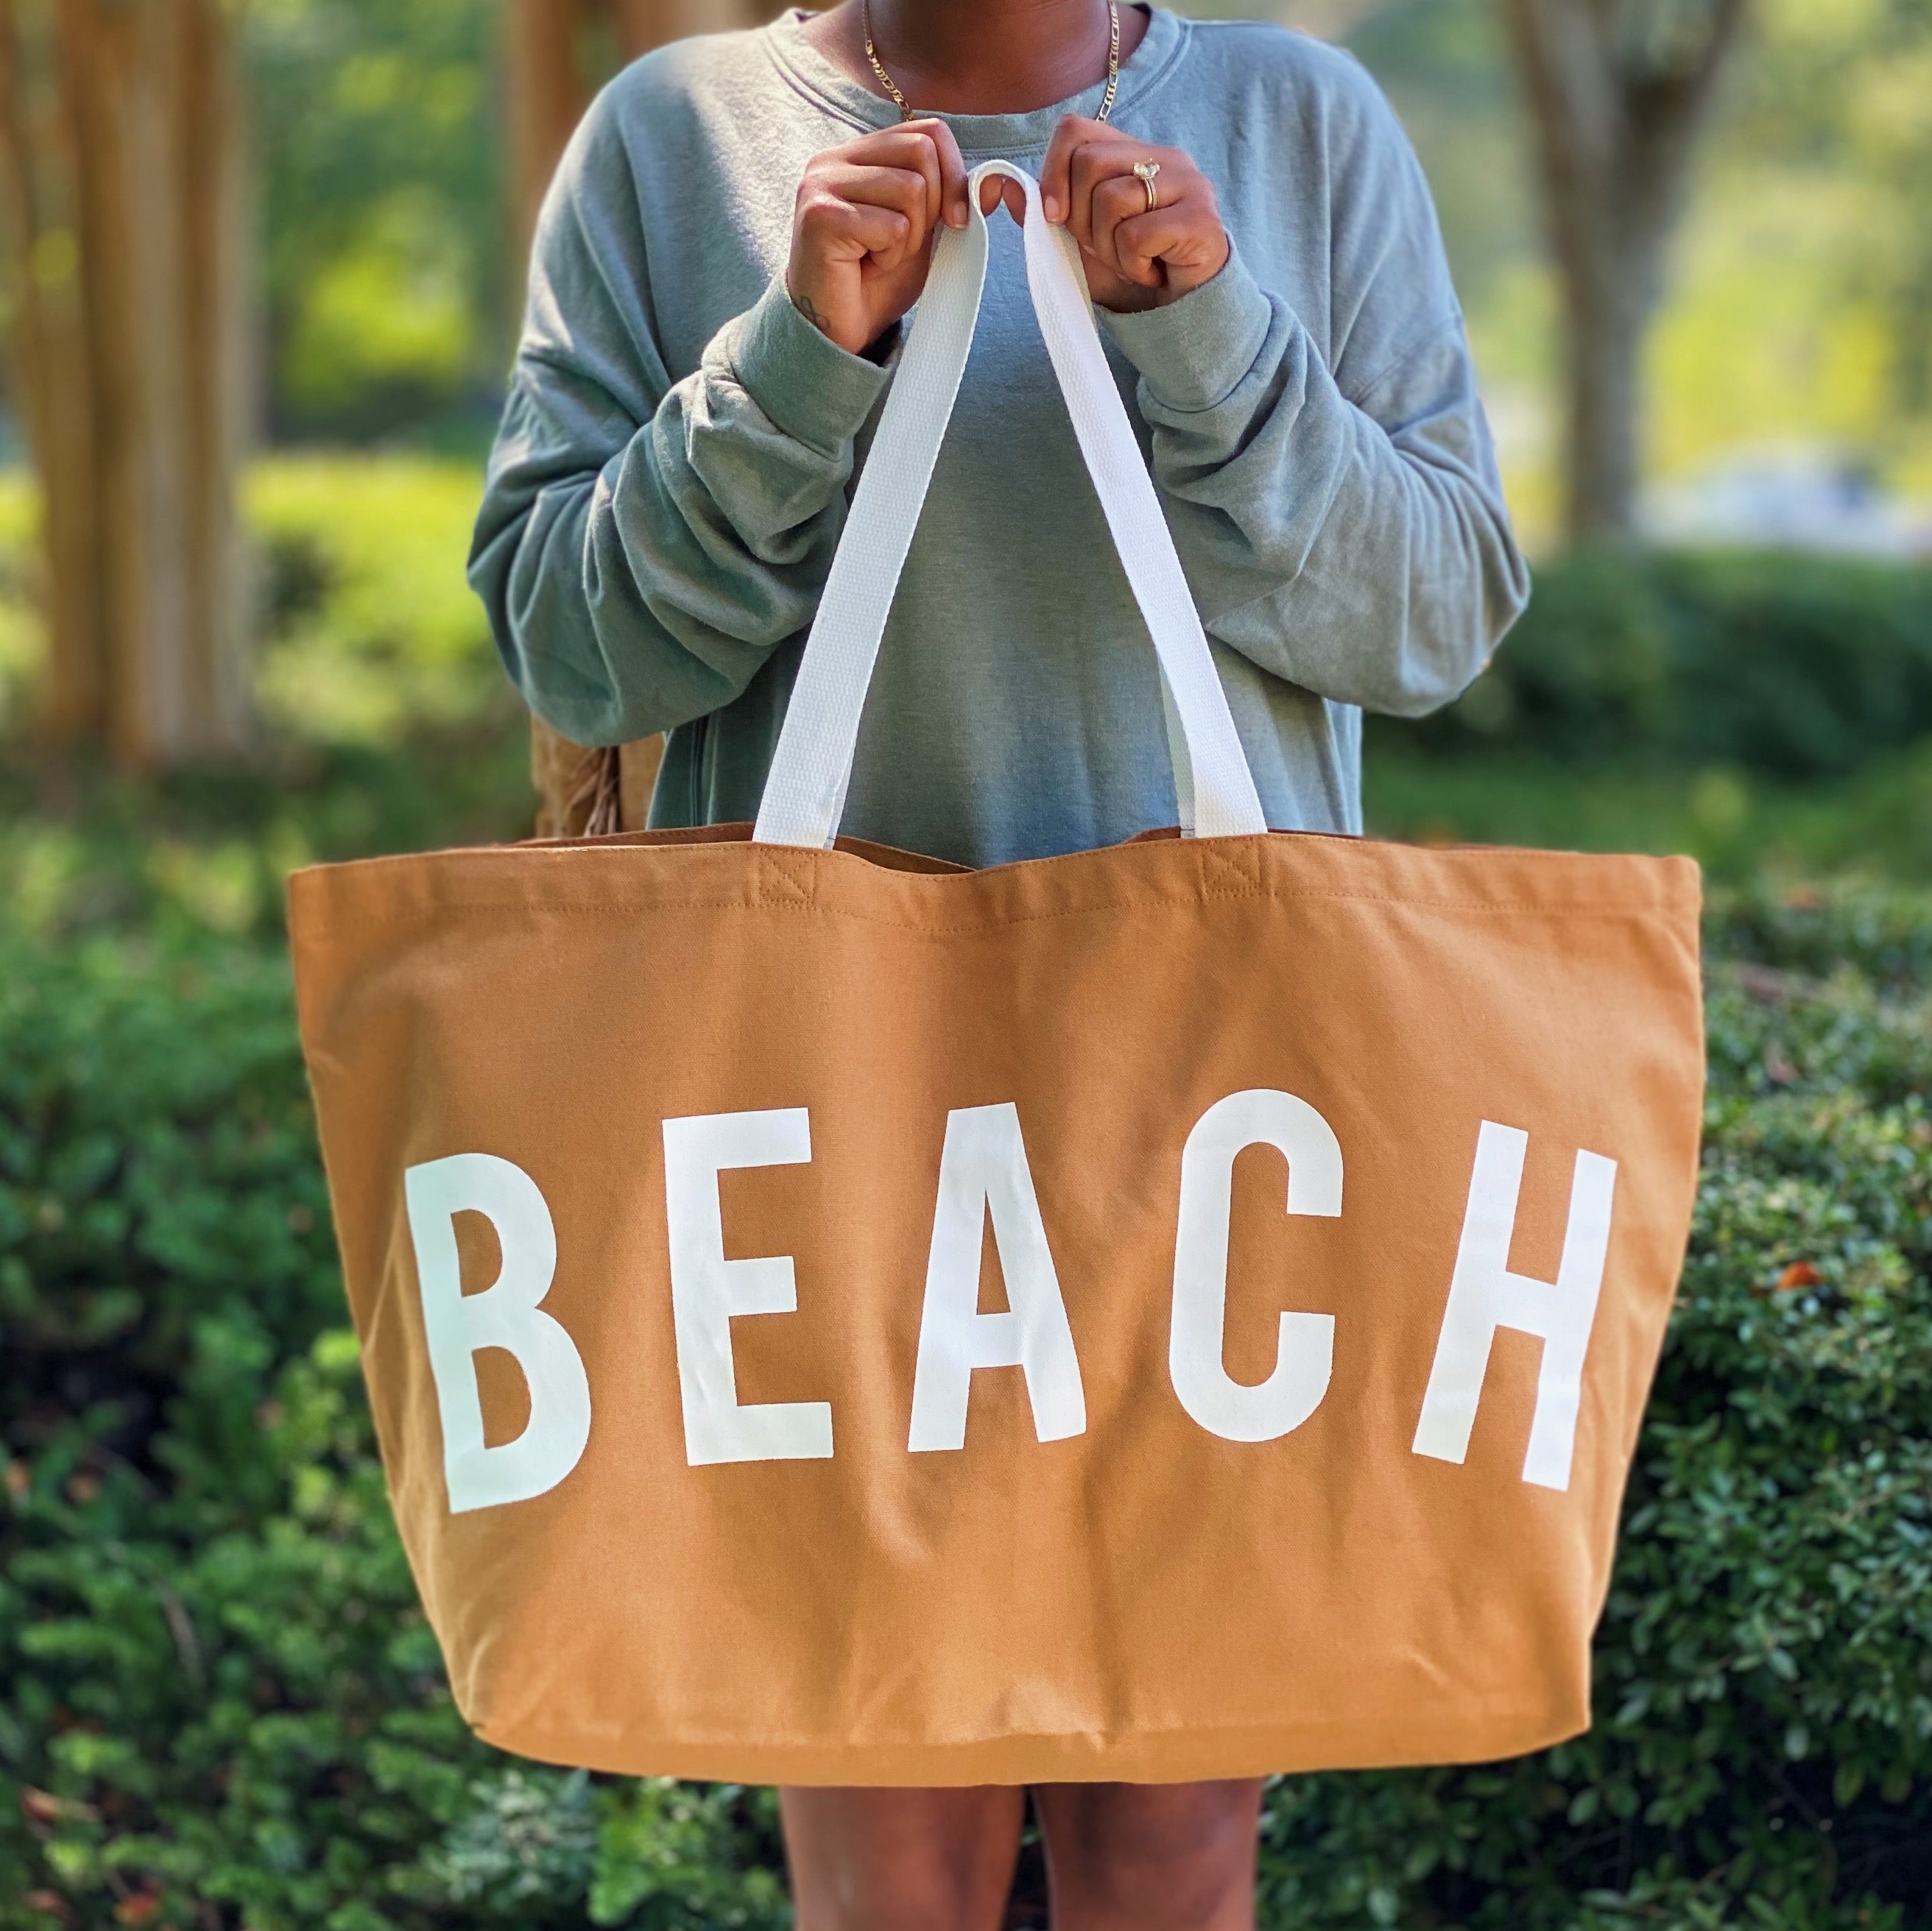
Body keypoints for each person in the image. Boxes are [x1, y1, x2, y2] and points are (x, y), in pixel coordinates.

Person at [469, 0, 1529, 1922]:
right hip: (809, 1129)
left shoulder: (1302, 123)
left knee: (1177, 1838)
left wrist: (1213, 337)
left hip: (1221, 1130)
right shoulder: (673, 136)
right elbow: (567, 646)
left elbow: (1437, 613)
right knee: (889, 1843)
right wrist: (792, 366)